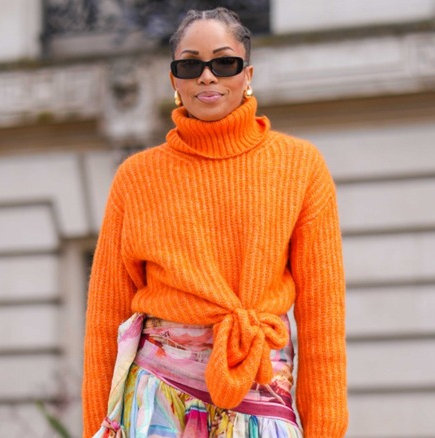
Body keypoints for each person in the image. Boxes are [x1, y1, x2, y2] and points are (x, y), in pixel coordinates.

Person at [82, 7, 347, 437]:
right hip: (155, 405)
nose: (207, 76)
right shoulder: (136, 177)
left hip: (261, 395)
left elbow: (323, 322)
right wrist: (97, 427)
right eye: (190, 64)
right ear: (174, 80)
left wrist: (326, 431)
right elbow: (104, 323)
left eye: (224, 63)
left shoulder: (301, 167)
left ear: (248, 75)